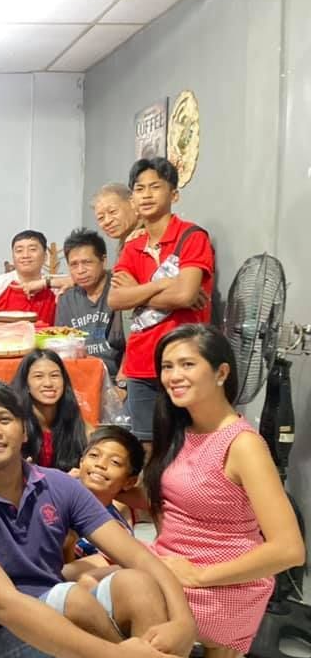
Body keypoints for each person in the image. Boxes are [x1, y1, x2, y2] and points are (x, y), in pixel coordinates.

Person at [0, 379, 196, 658]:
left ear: (24, 430)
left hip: (71, 635)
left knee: (137, 584)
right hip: (2, 649)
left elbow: (137, 556)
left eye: (4, 419)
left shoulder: (57, 485)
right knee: (68, 597)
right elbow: (6, 606)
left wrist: (183, 622)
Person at [146, 324, 304, 658]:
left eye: (187, 364)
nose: (173, 376)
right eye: (167, 367)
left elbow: (290, 550)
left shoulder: (243, 445)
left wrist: (197, 576)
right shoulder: (182, 429)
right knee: (80, 575)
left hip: (219, 585)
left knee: (117, 602)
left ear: (221, 372)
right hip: (172, 562)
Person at [109, 157, 214, 448]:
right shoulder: (132, 246)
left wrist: (139, 294)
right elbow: (116, 298)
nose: (146, 194)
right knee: (146, 447)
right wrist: (163, 284)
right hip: (140, 362)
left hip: (185, 360)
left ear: (174, 194)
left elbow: (186, 295)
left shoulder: (192, 237)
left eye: (155, 187)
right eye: (139, 189)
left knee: (187, 444)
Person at [61, 425, 143, 581]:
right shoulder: (54, 495)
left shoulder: (117, 531)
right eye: (94, 455)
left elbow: (72, 577)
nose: (101, 464)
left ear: (129, 481)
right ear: (81, 462)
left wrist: (68, 547)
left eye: (115, 462)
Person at [57, 228, 125, 381]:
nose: (80, 271)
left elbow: (134, 346)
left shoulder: (120, 291)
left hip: (119, 378)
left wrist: (122, 385)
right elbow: (63, 348)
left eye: (87, 262)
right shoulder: (66, 299)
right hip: (81, 378)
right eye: (74, 265)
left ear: (103, 260)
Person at [11, 349, 90, 472]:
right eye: (38, 376)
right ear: (26, 384)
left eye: (54, 376)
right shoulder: (15, 426)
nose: (48, 383)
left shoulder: (79, 427)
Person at [0, 229, 58, 325]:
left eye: (32, 249)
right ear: (13, 257)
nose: (25, 255)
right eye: (19, 251)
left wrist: (47, 283)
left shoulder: (55, 287)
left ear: (45, 257)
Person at [92, 183, 139, 250]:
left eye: (112, 211)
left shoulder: (148, 235)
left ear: (132, 203)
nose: (107, 221)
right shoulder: (125, 242)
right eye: (101, 218)